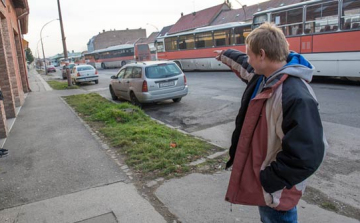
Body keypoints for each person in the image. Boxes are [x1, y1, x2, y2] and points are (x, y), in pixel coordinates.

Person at [215, 22, 327, 223]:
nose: (248, 59)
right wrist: (225, 54)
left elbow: (307, 155)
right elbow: (245, 65)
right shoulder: (265, 77)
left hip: (277, 192)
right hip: (270, 187)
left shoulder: (295, 96)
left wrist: (268, 180)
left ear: (262, 55)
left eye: (250, 54)